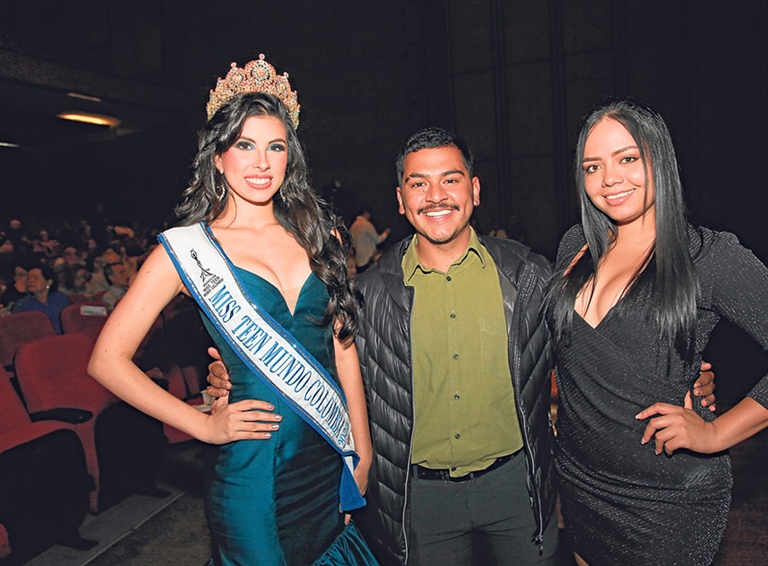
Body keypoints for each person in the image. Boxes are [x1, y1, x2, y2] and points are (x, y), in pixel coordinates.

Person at [208, 127, 719, 565]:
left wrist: (680, 378)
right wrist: (232, 377)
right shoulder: (366, 294)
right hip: (418, 500)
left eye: (450, 180)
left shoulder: (531, 276)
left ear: (474, 190)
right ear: (401, 199)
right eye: (419, 183)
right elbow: (319, 373)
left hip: (518, 491)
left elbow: (591, 352)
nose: (436, 195)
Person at [88, 54, 377, 565]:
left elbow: (342, 345)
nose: (261, 163)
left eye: (275, 146)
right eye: (244, 145)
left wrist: (362, 447)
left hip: (326, 455)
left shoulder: (321, 237)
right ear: (217, 156)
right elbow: (106, 360)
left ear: (291, 157)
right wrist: (201, 425)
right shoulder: (185, 250)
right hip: (252, 470)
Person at [546, 99, 768, 565]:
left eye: (628, 158)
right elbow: (575, 353)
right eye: (592, 166)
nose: (609, 178)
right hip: (581, 483)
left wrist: (716, 435)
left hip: (667, 500)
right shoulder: (574, 246)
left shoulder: (709, 257)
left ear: (661, 159)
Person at [12, 263, 72, 334]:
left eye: (35, 278)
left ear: (48, 282)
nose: (30, 281)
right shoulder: (22, 304)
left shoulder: (60, 298)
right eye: (28, 278)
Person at [349, 206, 391, 272]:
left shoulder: (353, 226)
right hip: (368, 260)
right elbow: (378, 240)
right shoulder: (365, 224)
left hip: (358, 262)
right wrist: (386, 233)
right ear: (366, 213)